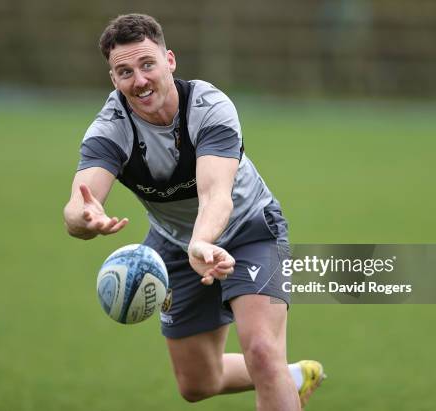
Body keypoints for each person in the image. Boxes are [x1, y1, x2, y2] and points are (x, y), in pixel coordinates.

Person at [63, 13, 325, 410]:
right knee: (197, 383)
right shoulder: (111, 127)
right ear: (114, 80)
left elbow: (216, 195)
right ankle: (290, 377)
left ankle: (275, 372)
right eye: (125, 71)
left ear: (169, 61)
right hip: (172, 245)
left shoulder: (209, 107)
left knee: (261, 352)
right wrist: (84, 219)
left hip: (250, 228)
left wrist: (202, 241)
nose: (140, 80)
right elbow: (78, 203)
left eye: (147, 64)